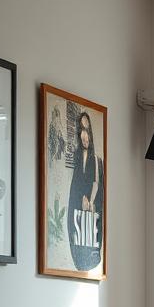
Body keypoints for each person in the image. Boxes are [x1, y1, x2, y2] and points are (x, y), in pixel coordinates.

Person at [68, 111, 103, 271]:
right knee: (76, 228)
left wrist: (89, 199)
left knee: (88, 230)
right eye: (81, 130)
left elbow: (96, 182)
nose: (84, 135)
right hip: (77, 200)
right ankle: (79, 260)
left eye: (87, 130)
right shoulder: (76, 157)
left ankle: (88, 259)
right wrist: (80, 196)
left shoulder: (95, 158)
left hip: (90, 202)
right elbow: (77, 181)